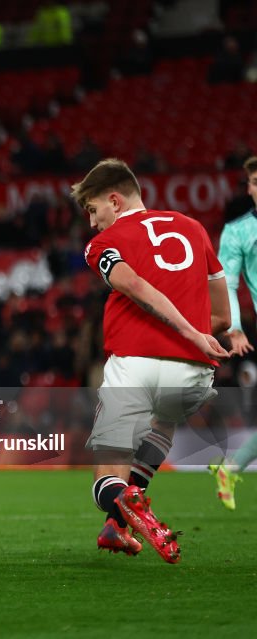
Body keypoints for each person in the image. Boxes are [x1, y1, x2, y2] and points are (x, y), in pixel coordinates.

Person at [77, 158, 230, 563]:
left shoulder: (101, 245)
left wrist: (185, 329)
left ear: (114, 199)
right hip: (194, 374)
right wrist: (197, 333)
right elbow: (225, 316)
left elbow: (133, 285)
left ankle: (121, 502)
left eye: (93, 210)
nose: (92, 223)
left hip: (135, 365)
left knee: (105, 481)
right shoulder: (194, 229)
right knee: (163, 421)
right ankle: (119, 525)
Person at [209, 156, 257, 509]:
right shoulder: (238, 231)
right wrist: (235, 326)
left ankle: (229, 468)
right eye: (252, 183)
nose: (254, 188)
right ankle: (230, 468)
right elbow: (227, 284)